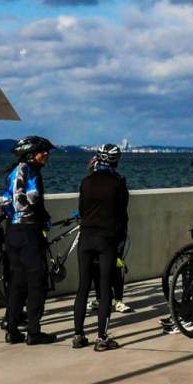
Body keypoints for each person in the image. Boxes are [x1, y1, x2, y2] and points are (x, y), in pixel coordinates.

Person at [73, 143, 129, 350]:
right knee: (105, 289)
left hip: (86, 238)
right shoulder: (118, 182)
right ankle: (101, 338)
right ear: (116, 161)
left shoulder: (86, 181)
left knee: (83, 287)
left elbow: (81, 210)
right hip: (107, 239)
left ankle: (78, 335)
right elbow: (122, 213)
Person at [2, 134, 56, 345]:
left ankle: (12, 329)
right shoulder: (32, 173)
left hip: (13, 231)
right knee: (37, 281)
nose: (47, 155)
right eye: (43, 152)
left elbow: (6, 204)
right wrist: (44, 219)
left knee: (17, 281)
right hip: (29, 232)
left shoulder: (13, 172)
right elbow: (34, 201)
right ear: (31, 154)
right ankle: (34, 332)